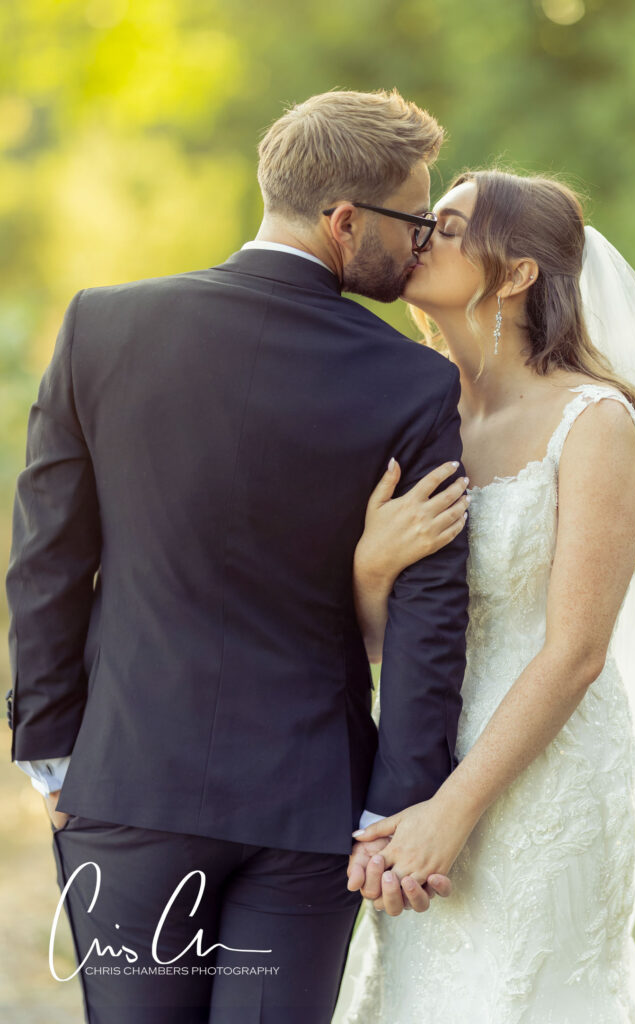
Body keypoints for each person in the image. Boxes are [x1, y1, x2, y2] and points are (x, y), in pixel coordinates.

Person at [4, 89, 471, 1023]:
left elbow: (48, 553)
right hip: (309, 810)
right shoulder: (414, 381)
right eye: (412, 219)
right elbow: (431, 617)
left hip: (128, 788)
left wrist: (51, 750)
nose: (419, 241)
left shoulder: (103, 327)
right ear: (345, 221)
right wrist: (394, 810)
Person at [333, 169, 635, 1023]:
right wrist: (370, 567)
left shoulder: (594, 421)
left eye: (452, 227)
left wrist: (451, 813)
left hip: (545, 776)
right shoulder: (421, 415)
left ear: (520, 271)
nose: (423, 236)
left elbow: (576, 652)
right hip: (422, 753)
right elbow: (378, 640)